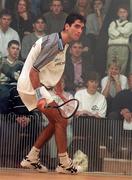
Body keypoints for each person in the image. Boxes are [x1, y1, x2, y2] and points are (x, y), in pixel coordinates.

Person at [17, 13, 86, 174]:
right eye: (76, 26)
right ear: (67, 26)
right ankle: (64, 164)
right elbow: (34, 71)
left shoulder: (64, 43)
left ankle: (31, 158)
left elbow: (56, 68)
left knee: (56, 122)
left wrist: (60, 91)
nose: (80, 30)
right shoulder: (54, 43)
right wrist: (41, 97)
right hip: (31, 85)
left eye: (82, 28)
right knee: (62, 121)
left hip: (39, 85)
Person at [107, 4, 132, 74]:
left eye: (124, 12)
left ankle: (119, 83)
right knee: (110, 66)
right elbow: (112, 34)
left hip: (123, 47)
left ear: (127, 13)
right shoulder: (113, 23)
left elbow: (126, 32)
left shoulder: (130, 24)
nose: (122, 14)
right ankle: (109, 83)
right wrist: (121, 32)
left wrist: (117, 28)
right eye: (121, 12)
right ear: (118, 13)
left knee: (121, 67)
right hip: (112, 46)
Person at [0, 40, 23, 114]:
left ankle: (19, 118)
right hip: (3, 85)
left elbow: (22, 79)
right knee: (4, 93)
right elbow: (17, 77)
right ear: (8, 49)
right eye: (13, 48)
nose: (15, 51)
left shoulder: (21, 64)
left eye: (17, 49)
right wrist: (15, 76)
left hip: (16, 86)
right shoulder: (1, 61)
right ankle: (3, 117)